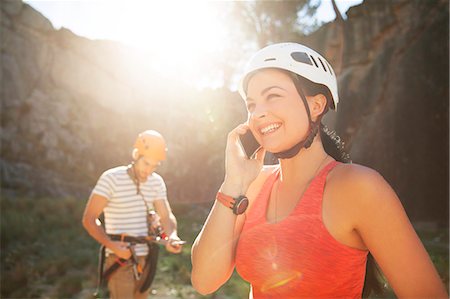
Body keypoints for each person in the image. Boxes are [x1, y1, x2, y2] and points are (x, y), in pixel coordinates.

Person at [191, 43, 447, 298]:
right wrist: (233, 182)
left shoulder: (358, 187)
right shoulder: (253, 185)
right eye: (251, 104)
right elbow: (204, 280)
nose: (258, 113)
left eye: (273, 96)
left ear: (316, 106)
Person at [83, 130, 183, 299]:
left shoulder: (156, 182)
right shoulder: (111, 179)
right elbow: (89, 219)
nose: (149, 171)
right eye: (146, 164)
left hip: (146, 259)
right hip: (120, 259)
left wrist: (172, 236)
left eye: (155, 166)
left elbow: (166, 216)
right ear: (136, 155)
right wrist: (112, 245)